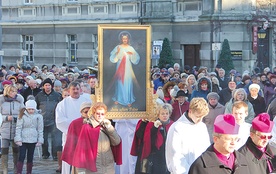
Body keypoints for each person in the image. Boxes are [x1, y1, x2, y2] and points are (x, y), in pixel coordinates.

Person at [62, 102, 122, 174]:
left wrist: (109, 128)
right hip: (93, 166)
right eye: (97, 113)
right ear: (93, 113)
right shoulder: (87, 127)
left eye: (102, 114)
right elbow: (82, 152)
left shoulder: (106, 126)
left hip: (108, 165)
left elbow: (117, 142)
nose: (100, 116)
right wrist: (81, 171)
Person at [55, 81, 92, 174]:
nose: (75, 91)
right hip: (70, 136)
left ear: (80, 89)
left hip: (86, 136)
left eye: (77, 89)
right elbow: (60, 121)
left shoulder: (87, 101)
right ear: (69, 90)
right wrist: (75, 127)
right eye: (73, 89)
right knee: (69, 162)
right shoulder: (62, 104)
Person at [166, 98, 210, 174]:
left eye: (202, 117)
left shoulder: (202, 126)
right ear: (190, 111)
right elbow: (175, 155)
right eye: (198, 116)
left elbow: (206, 149)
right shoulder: (177, 128)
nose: (200, 120)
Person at [131, 103, 174, 174]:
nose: (165, 115)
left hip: (167, 155)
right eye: (162, 114)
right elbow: (148, 141)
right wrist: (155, 128)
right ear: (158, 114)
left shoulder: (172, 125)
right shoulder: (152, 124)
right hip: (155, 156)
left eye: (167, 113)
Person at [110, 31, 140, 107]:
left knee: (127, 82)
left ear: (128, 39)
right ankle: (118, 98)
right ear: (121, 39)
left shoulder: (130, 48)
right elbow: (113, 58)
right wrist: (117, 53)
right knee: (119, 82)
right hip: (120, 67)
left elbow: (135, 59)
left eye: (126, 38)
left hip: (127, 68)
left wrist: (132, 54)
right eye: (123, 38)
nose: (125, 40)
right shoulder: (118, 47)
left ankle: (128, 100)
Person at [35, 78, 62, 160]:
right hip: (42, 120)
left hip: (53, 120)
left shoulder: (57, 95)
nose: (47, 87)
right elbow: (36, 107)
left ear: (52, 86)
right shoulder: (39, 96)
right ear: (43, 86)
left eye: (49, 85)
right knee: (44, 139)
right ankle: (45, 153)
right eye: (46, 85)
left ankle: (55, 155)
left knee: (55, 139)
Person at [14, 100, 44, 174]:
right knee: (22, 156)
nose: (31, 111)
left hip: (33, 139)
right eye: (29, 109)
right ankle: (19, 171)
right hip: (23, 139)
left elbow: (40, 129)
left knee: (30, 157)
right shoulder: (22, 115)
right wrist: (18, 139)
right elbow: (18, 128)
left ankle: (29, 172)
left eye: (32, 109)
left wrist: (40, 140)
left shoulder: (39, 116)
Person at [0, 85, 25, 174]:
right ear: (8, 92)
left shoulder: (19, 102)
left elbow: (23, 114)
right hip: (4, 129)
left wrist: (16, 118)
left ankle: (16, 169)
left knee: (16, 150)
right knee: (4, 150)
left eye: (15, 91)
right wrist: (6, 118)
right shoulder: (1, 102)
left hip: (16, 129)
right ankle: (4, 169)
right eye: (12, 91)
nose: (15, 93)